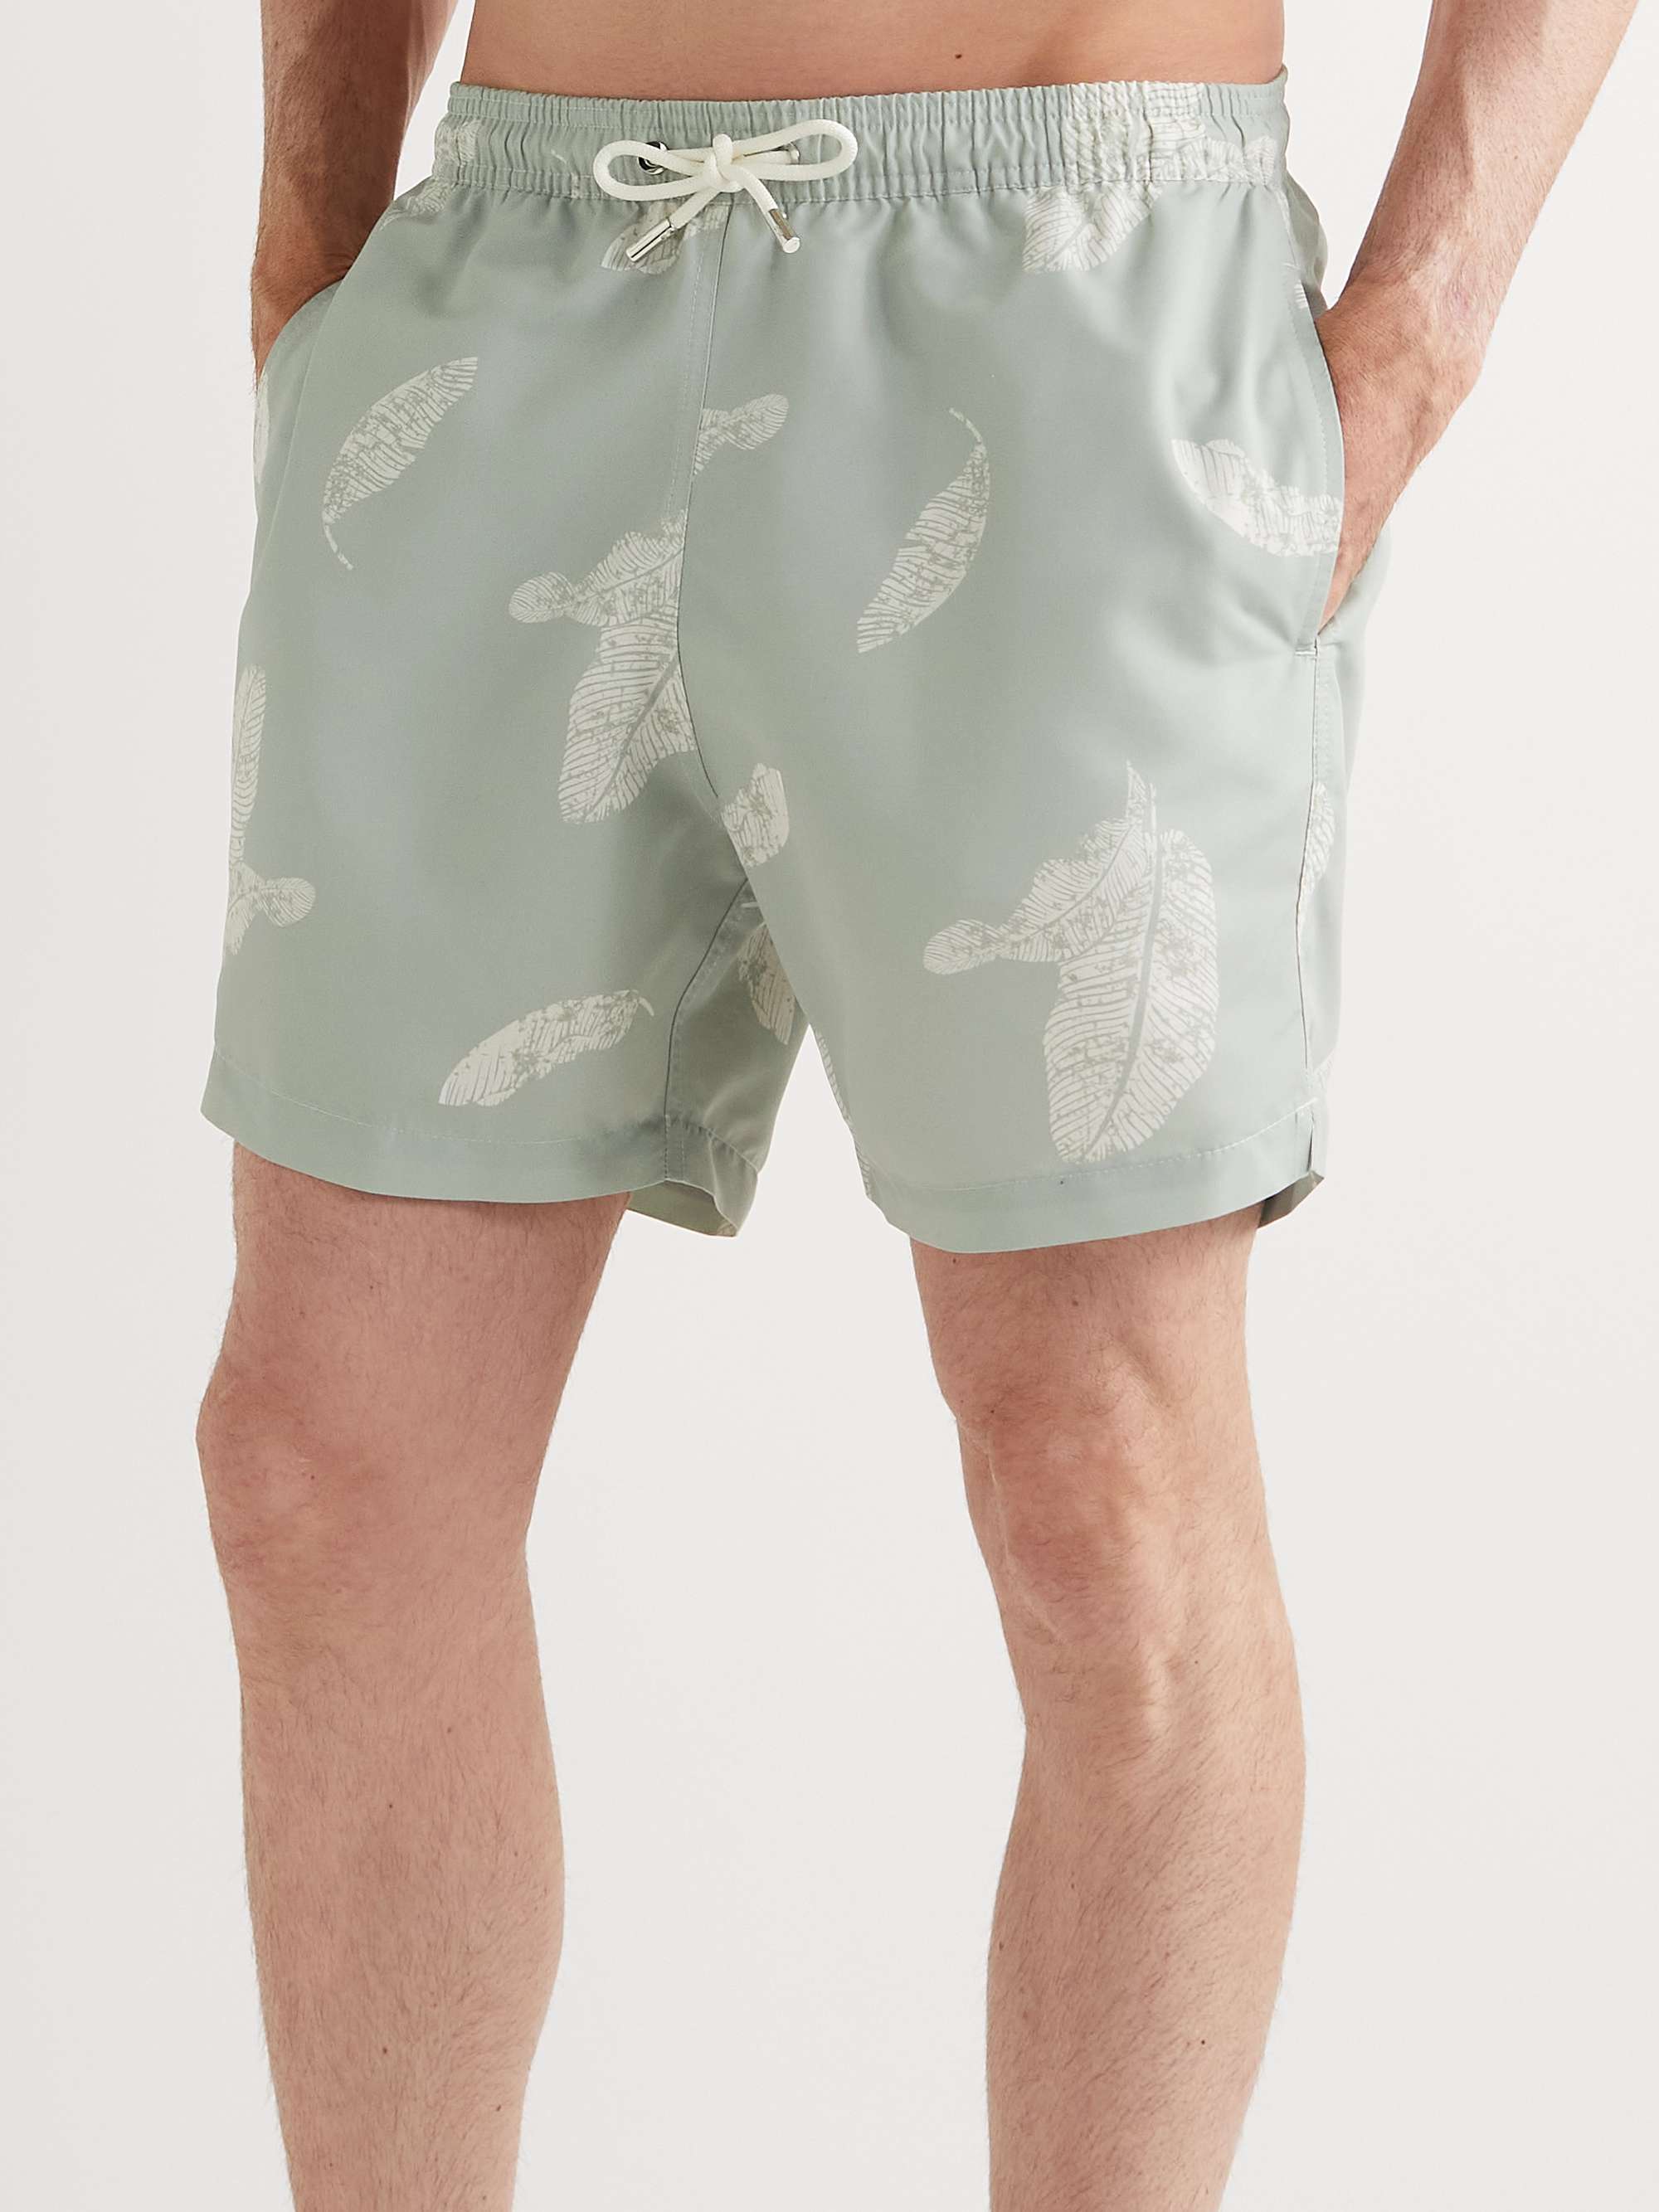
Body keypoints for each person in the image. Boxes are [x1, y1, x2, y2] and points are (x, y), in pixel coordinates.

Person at [195, 1, 1638, 2205]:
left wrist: (1421, 324)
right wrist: (312, 246)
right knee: (321, 1478)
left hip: (1071, 290)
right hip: (513, 272)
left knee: (1100, 1501)